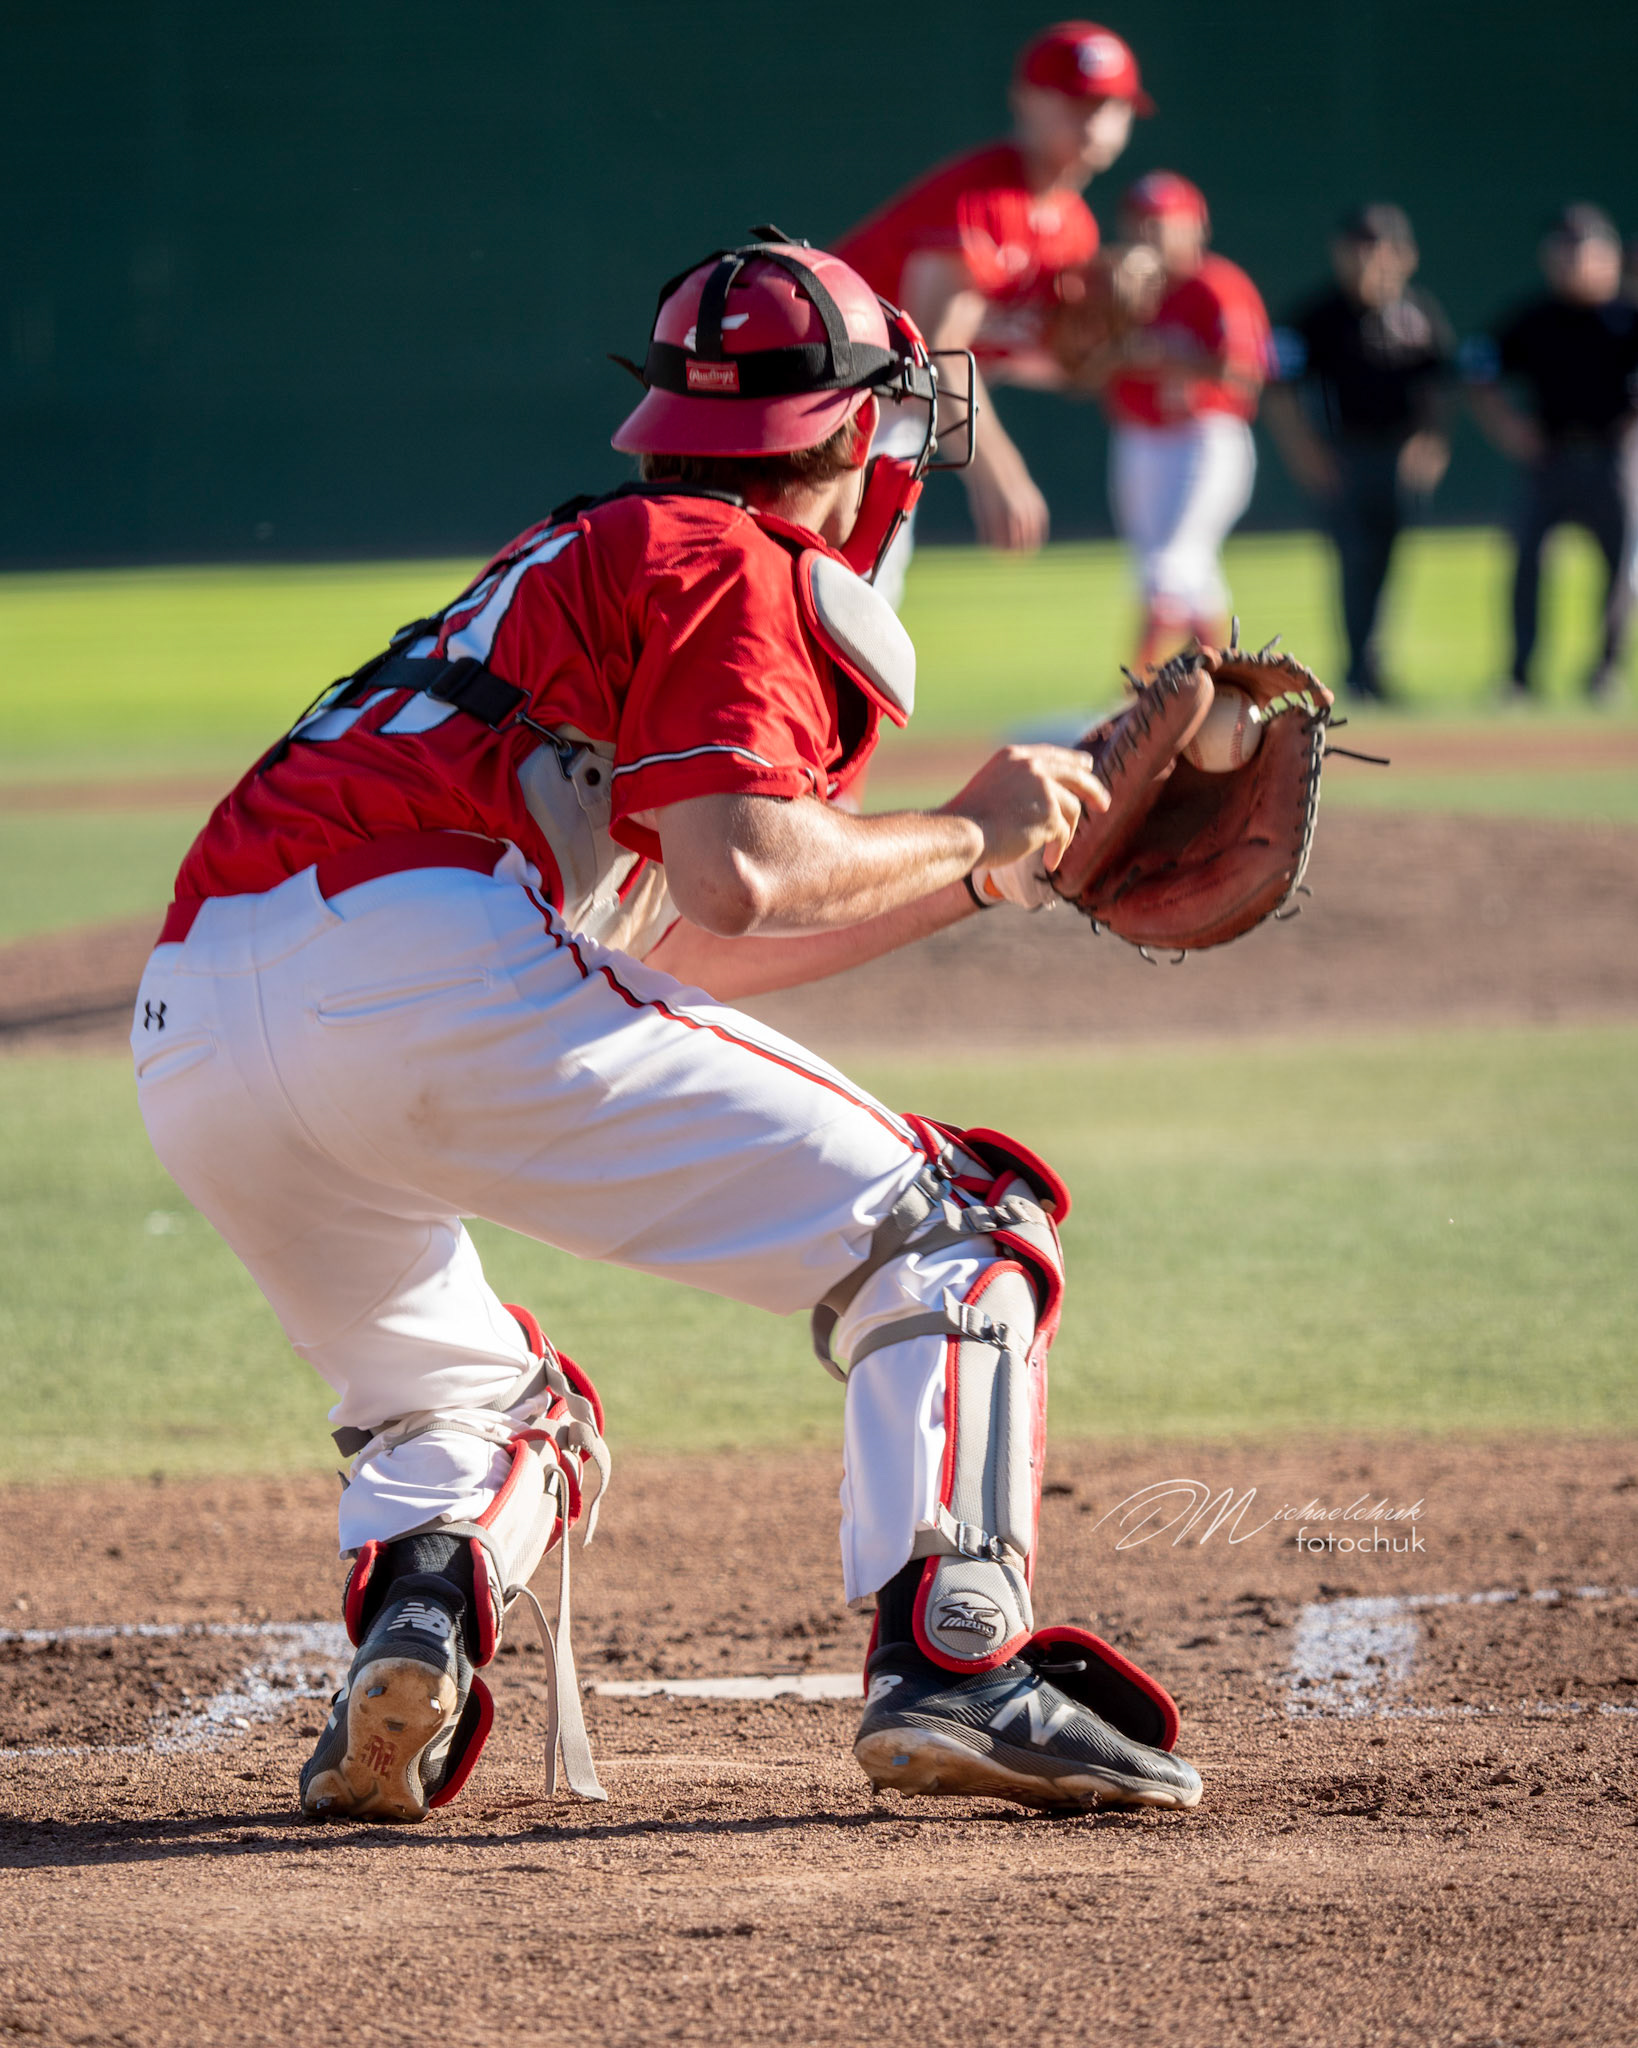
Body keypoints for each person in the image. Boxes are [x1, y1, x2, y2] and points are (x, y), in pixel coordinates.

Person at [130, 236, 1203, 1824]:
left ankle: (417, 1618)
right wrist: (970, 823)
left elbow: (691, 941)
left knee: (481, 1402)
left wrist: (989, 880)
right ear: (840, 434)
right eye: (882, 423)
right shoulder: (728, 557)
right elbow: (751, 871)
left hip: (195, 1023)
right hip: (428, 951)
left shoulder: (584, 556)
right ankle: (955, 1657)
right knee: (962, 1228)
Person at [836, 19, 1149, 606]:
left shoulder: (1074, 230)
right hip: (830, 400)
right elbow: (933, 349)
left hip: (888, 414)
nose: (1094, 120)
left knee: (865, 592)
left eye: (1111, 105)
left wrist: (1089, 359)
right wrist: (995, 470)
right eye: (1076, 101)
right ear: (1025, 101)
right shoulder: (982, 198)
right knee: (849, 591)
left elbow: (1024, 357)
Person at [1265, 205, 1454, 702]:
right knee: (1354, 559)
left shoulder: (1418, 313)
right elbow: (1279, 387)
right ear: (1341, 253)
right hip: (1344, 455)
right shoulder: (1319, 315)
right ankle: (1360, 671)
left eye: (1384, 248)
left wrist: (1431, 442)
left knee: (1388, 562)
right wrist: (1305, 452)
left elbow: (1439, 385)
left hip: (1398, 457)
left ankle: (1373, 665)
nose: (1372, 259)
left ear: (1406, 256)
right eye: (1361, 247)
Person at [1100, 172, 1271, 670]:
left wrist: (1173, 359)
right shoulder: (1121, 288)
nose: (1145, 234)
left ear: (1194, 227)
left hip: (1205, 440)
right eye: (1137, 222)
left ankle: (1134, 691)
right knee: (1185, 573)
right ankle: (1220, 682)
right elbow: (1089, 370)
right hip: (1139, 439)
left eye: (1159, 223)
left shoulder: (1216, 285)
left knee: (1169, 564)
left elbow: (1247, 374)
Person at [1467, 203, 1638, 699]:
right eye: (1561, 252)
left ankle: (1604, 671)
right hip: (1552, 458)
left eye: (1581, 251)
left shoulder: (1627, 316)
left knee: (1620, 566)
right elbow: (1479, 367)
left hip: (1616, 457)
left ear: (1608, 255)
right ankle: (1520, 674)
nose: (1570, 263)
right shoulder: (1536, 317)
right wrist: (1509, 428)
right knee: (1526, 560)